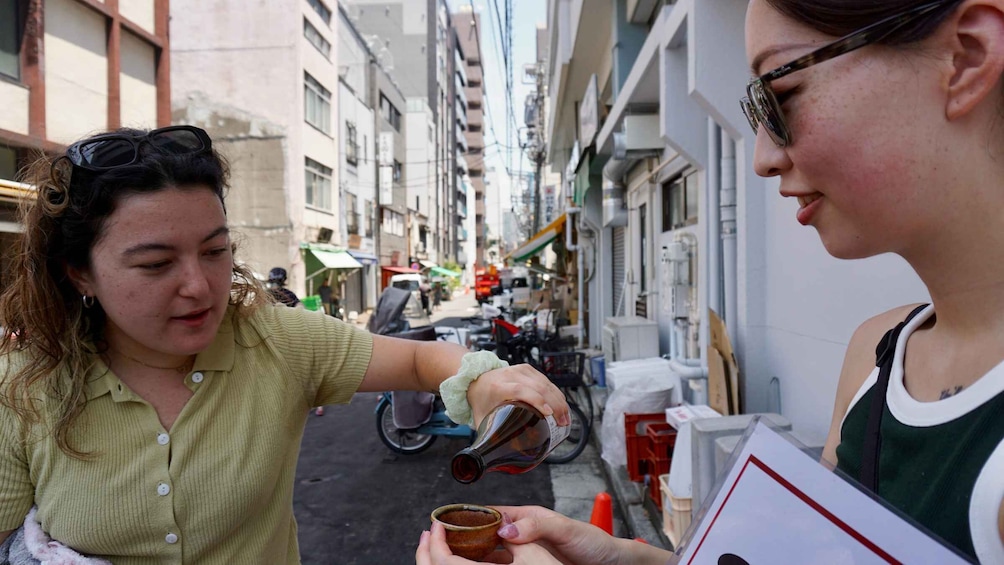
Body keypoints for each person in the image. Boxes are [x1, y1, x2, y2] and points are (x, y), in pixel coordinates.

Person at [417, 0, 1004, 562]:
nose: (763, 157)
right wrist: (623, 560)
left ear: (966, 56)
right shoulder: (877, 354)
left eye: (782, 94)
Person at [0, 125, 569, 564]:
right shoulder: (23, 382)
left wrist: (490, 379)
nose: (199, 286)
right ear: (79, 272)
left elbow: (420, 359)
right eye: (155, 264)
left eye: (216, 251)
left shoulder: (273, 339)